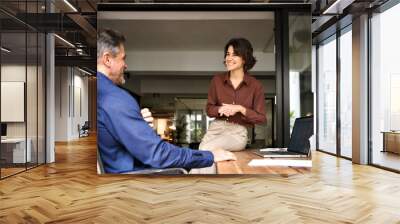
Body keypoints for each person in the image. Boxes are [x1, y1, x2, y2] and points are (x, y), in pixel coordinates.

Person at [97, 29, 236, 174]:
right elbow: (158, 154)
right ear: (107, 59)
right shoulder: (116, 99)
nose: (125, 65)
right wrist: (210, 156)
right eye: (123, 58)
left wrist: (136, 123)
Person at [192, 38, 266, 174]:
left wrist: (241, 109)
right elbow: (209, 109)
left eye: (234, 54)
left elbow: (261, 118)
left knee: (204, 151)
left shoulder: (255, 86)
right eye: (227, 54)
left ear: (244, 58)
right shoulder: (217, 81)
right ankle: (204, 189)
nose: (229, 58)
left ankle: (197, 187)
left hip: (237, 133)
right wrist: (220, 109)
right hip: (215, 129)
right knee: (202, 156)